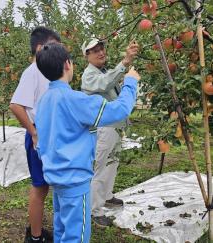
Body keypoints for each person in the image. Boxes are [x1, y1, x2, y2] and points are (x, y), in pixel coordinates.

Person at [35, 42, 140, 243]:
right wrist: (130, 83)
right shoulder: (75, 100)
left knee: (62, 229)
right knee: (76, 236)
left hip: (56, 178)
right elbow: (119, 110)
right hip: (75, 181)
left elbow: (41, 140)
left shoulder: (44, 100)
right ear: (68, 64)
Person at [9, 26, 61, 243]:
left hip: (48, 137)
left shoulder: (44, 72)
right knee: (39, 188)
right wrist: (34, 132)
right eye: (54, 47)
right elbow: (15, 105)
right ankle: (35, 238)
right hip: (39, 138)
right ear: (40, 48)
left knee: (44, 186)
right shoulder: (32, 72)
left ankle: (37, 230)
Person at [81, 38, 139, 227]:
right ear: (86, 56)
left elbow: (111, 84)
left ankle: (107, 196)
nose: (100, 52)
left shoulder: (103, 71)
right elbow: (105, 84)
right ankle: (95, 211)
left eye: (101, 48)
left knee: (112, 163)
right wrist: (125, 62)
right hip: (103, 129)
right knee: (100, 168)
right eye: (94, 50)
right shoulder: (89, 76)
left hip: (114, 126)